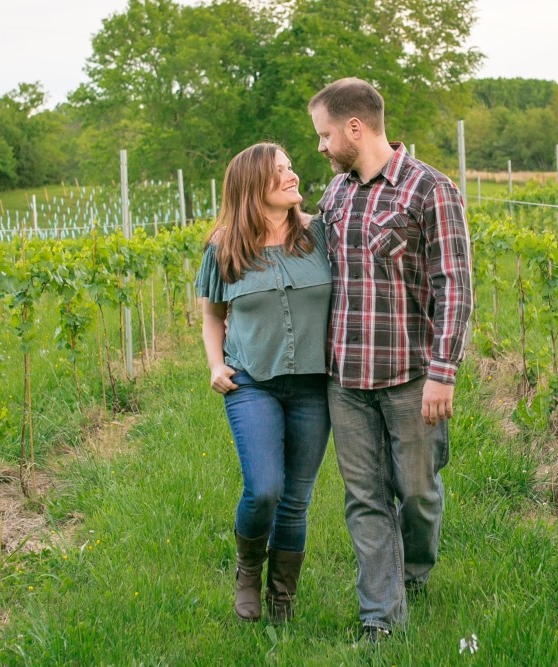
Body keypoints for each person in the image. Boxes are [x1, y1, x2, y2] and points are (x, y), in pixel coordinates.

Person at [308, 78, 473, 641]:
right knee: (364, 498)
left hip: (410, 377)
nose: (322, 147)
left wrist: (442, 374)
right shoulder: (336, 195)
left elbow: (454, 286)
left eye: (325, 134)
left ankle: (415, 573)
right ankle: (381, 616)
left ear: (355, 127)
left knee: (420, 493)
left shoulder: (430, 190)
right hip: (345, 380)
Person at [194, 142, 332, 624]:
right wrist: (215, 364)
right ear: (254, 186)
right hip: (252, 381)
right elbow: (213, 313)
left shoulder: (321, 235)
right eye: (280, 172)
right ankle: (248, 570)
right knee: (265, 488)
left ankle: (282, 597)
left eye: (291, 167)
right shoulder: (224, 246)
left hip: (315, 385)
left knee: (296, 498)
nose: (293, 176)